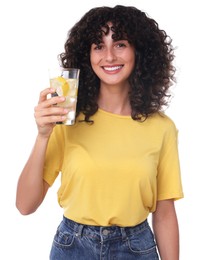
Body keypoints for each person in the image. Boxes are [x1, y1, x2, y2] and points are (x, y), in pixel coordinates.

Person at [16, 5, 184, 260]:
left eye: (119, 44)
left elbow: (164, 213)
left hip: (136, 249)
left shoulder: (162, 128)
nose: (108, 56)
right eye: (98, 46)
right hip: (73, 247)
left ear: (139, 50)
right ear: (87, 55)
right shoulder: (65, 119)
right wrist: (42, 136)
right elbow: (25, 206)